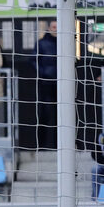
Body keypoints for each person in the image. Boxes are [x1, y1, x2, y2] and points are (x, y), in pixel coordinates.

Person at [35, 20, 57, 151]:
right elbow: (33, 60)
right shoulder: (41, 44)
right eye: (53, 27)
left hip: (61, 84)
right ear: (49, 28)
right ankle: (42, 146)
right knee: (45, 114)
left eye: (57, 27)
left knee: (62, 116)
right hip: (46, 84)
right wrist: (43, 73)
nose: (55, 29)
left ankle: (58, 145)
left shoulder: (65, 43)